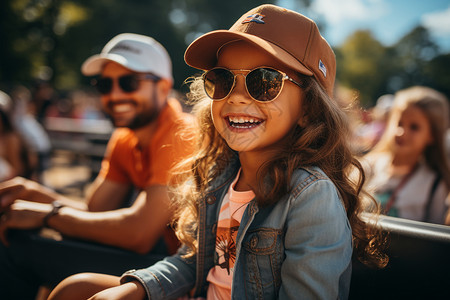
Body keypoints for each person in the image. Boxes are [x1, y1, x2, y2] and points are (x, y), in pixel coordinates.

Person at [48, 5, 387, 300]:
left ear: (309, 109)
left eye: (264, 81)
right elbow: (192, 261)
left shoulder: (311, 198)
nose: (236, 97)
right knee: (75, 289)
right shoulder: (220, 175)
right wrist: (138, 287)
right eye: (223, 80)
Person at [0, 33, 195, 299]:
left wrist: (48, 214)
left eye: (129, 82)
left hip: (179, 272)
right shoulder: (126, 137)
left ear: (162, 88)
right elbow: (95, 211)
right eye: (104, 85)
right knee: (21, 238)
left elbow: (139, 234)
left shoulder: (181, 134)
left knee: (16, 250)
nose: (115, 95)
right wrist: (35, 195)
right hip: (162, 259)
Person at [362, 86, 450, 224]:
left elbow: (434, 238)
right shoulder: (369, 165)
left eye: (414, 127)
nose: (401, 132)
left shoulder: (435, 184)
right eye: (399, 123)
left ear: (432, 135)